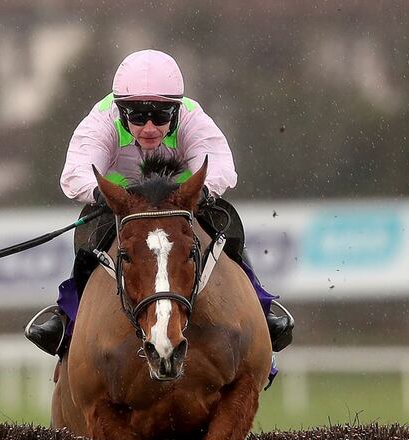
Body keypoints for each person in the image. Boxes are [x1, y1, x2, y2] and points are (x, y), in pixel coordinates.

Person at [25, 49, 294, 356]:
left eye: (161, 115)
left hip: (179, 202)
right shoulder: (101, 120)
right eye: (138, 116)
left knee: (225, 220)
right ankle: (68, 318)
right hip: (126, 207)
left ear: (176, 111)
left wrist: (200, 193)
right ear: (122, 111)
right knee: (90, 235)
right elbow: (74, 174)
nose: (150, 127)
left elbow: (221, 167)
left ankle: (260, 305)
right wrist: (104, 196)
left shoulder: (193, 117)